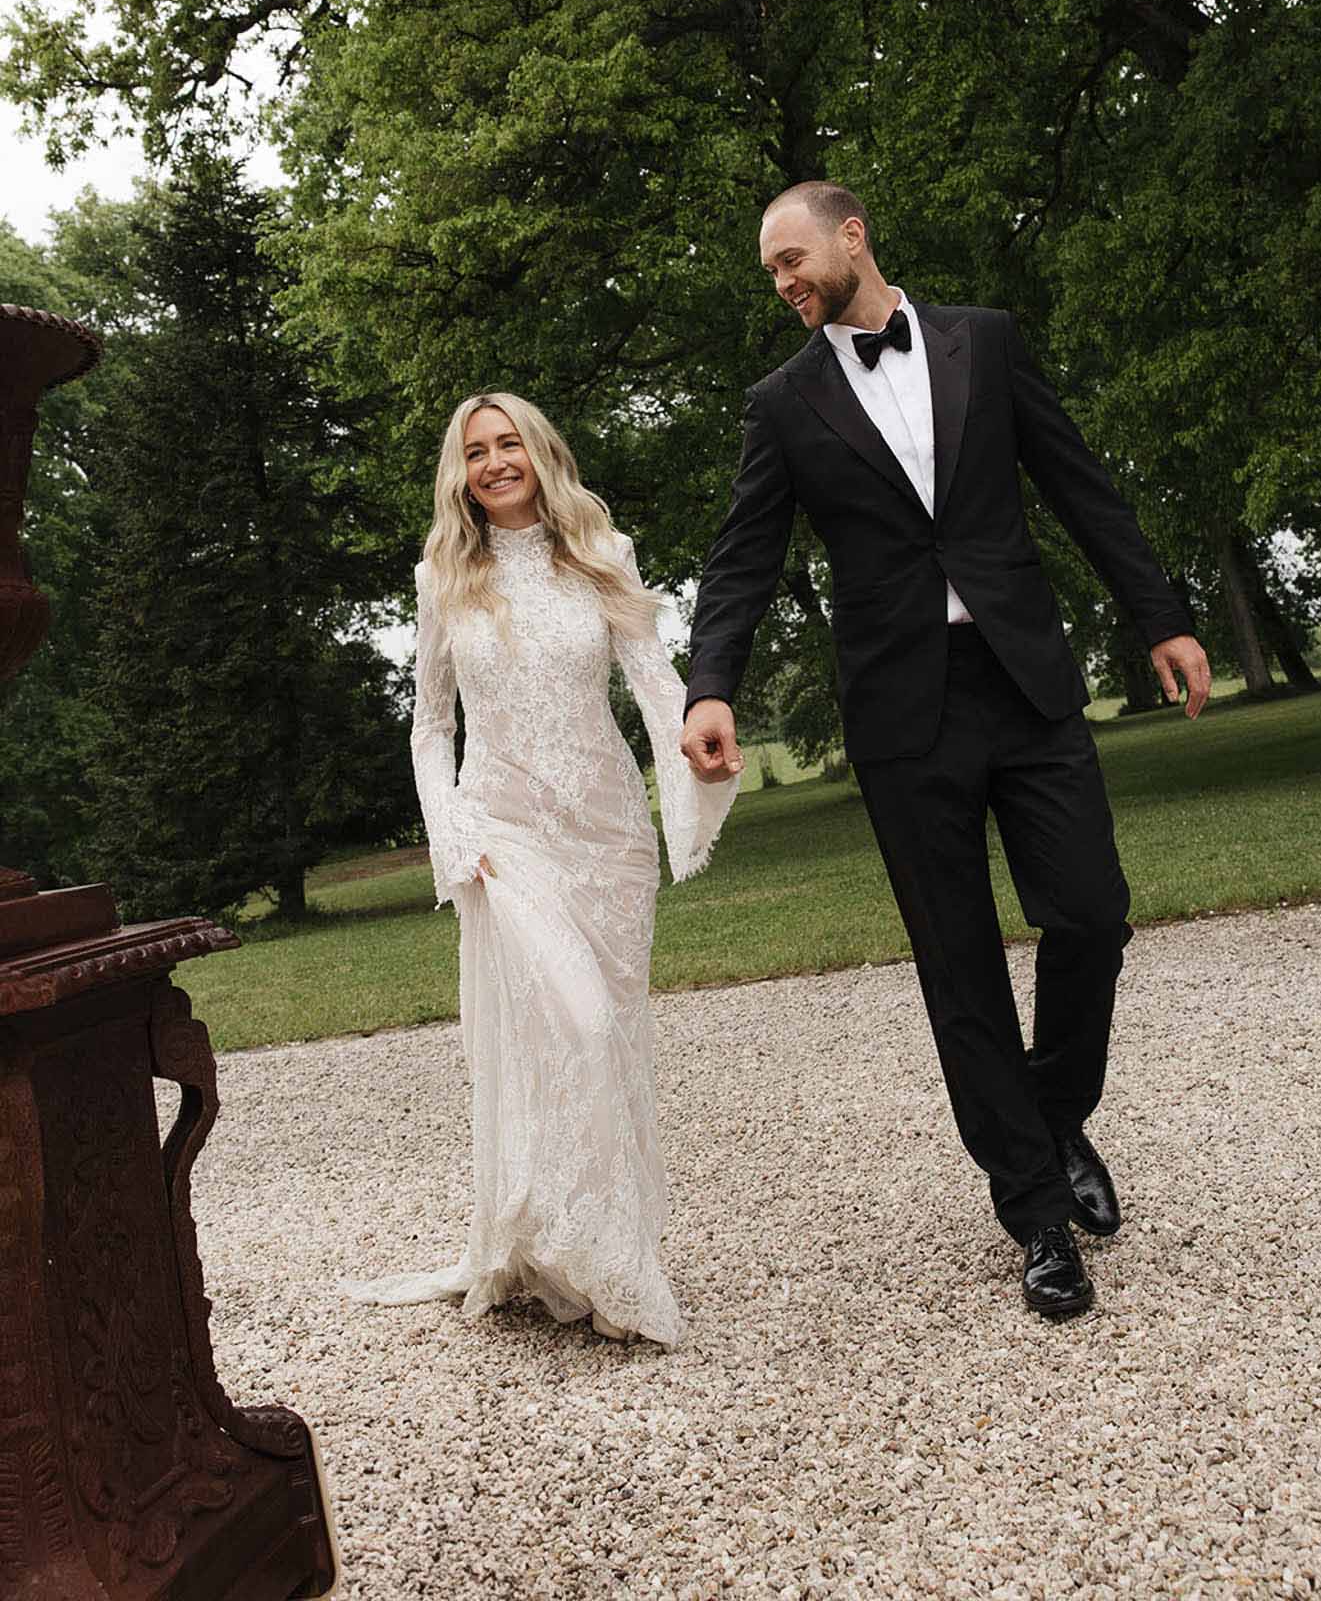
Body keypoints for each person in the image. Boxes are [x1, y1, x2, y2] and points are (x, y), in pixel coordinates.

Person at [681, 182, 1210, 1319]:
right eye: (768, 269)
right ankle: (1032, 1210)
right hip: (900, 715)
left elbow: (1079, 484)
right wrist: (710, 684)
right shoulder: (781, 403)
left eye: (790, 257)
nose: (781, 281)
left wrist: (1160, 614)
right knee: (957, 961)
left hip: (1025, 685)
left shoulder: (985, 339)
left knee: (1088, 910)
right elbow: (741, 557)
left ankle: (1055, 1111)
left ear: (852, 233)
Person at [342, 392, 736, 1345]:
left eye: (507, 442)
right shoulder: (443, 576)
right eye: (474, 452)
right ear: (461, 474)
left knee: (608, 1036)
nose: (493, 462)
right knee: (578, 1028)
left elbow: (652, 682)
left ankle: (575, 1242)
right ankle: (594, 1260)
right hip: (502, 831)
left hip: (604, 835)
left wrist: (697, 750)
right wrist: (452, 833)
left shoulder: (604, 555)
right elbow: (431, 725)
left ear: (539, 452)